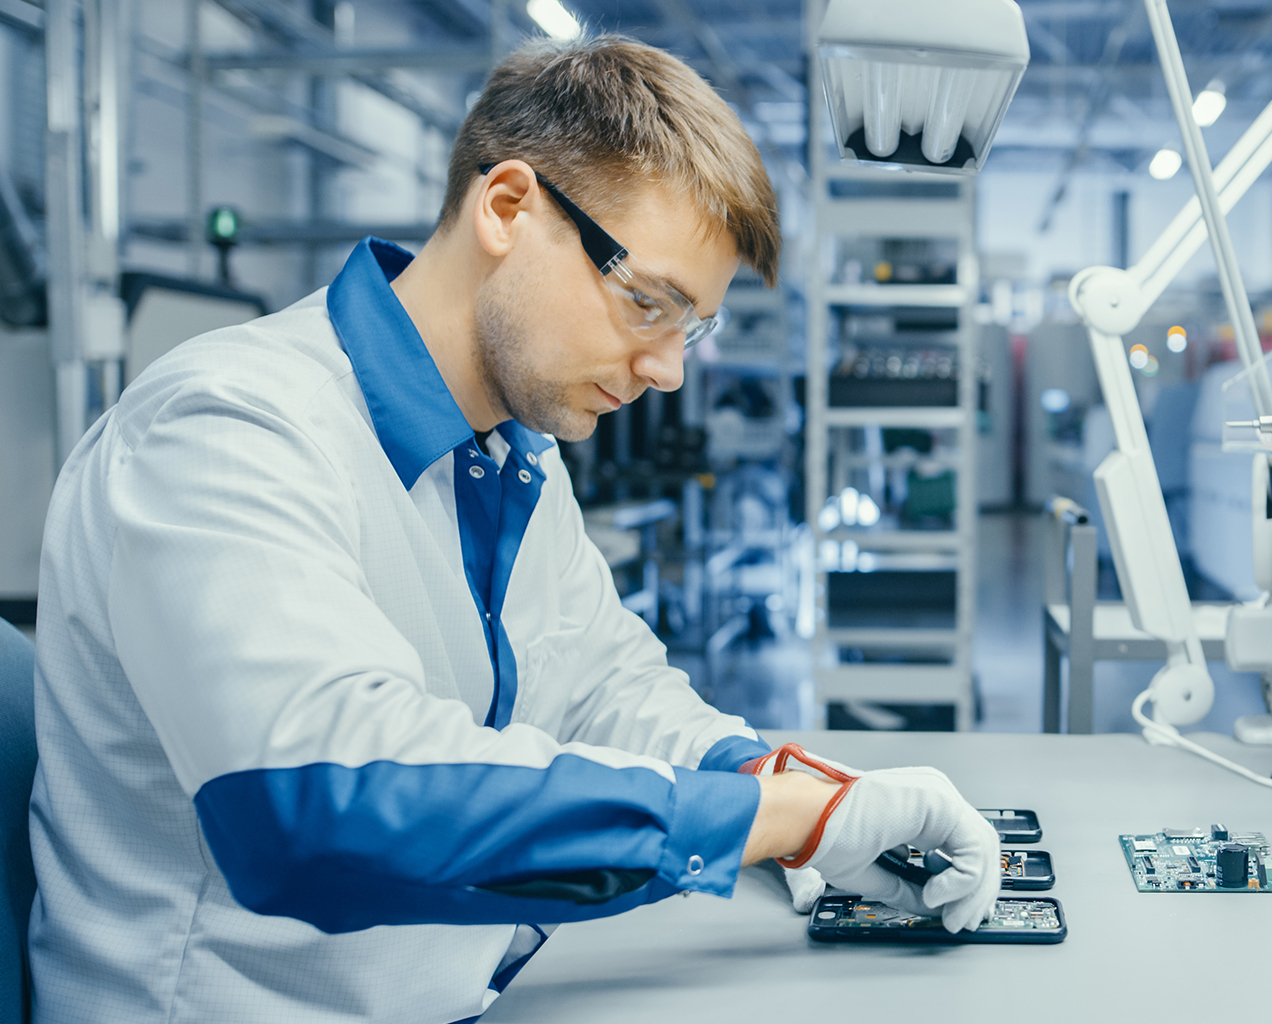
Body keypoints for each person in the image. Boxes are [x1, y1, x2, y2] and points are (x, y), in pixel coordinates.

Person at [28, 35, 1000, 1024]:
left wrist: (775, 784)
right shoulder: (230, 427)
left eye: (690, 328)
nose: (668, 369)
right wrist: (773, 820)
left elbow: (604, 686)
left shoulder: (510, 450)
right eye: (648, 303)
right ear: (507, 208)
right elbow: (317, 808)